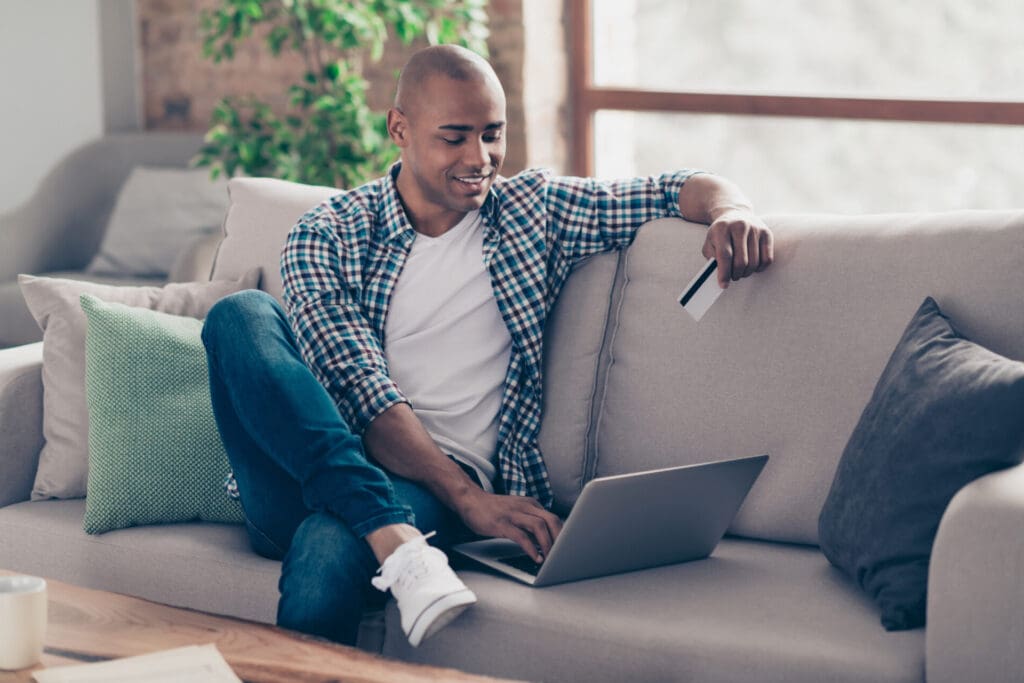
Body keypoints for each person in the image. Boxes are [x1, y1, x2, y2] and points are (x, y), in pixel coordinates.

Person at [200, 44, 774, 649]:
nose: (480, 159)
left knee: (328, 549)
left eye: (492, 134)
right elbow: (361, 393)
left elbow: (671, 188)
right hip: (299, 476)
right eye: (455, 137)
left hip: (421, 491)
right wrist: (471, 502)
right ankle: (394, 538)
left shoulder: (533, 213)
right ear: (399, 128)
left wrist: (731, 211)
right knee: (240, 315)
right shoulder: (330, 233)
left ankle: (388, 535)